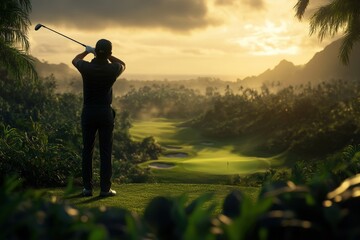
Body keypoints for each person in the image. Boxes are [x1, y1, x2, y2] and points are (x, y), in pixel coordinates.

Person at [72, 39, 126, 197]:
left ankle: (87, 188)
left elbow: (75, 60)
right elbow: (123, 63)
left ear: (96, 50)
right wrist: (107, 55)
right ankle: (105, 189)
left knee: (87, 151)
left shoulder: (87, 67)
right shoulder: (113, 68)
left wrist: (88, 51)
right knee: (105, 152)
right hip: (105, 113)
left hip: (89, 112)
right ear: (109, 52)